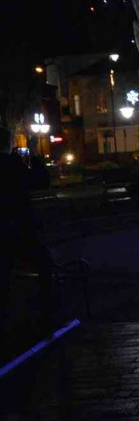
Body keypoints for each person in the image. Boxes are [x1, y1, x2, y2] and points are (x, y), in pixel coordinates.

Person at [0, 124, 55, 337]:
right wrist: (35, 159)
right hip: (19, 227)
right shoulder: (12, 164)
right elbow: (40, 180)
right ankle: (45, 310)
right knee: (43, 262)